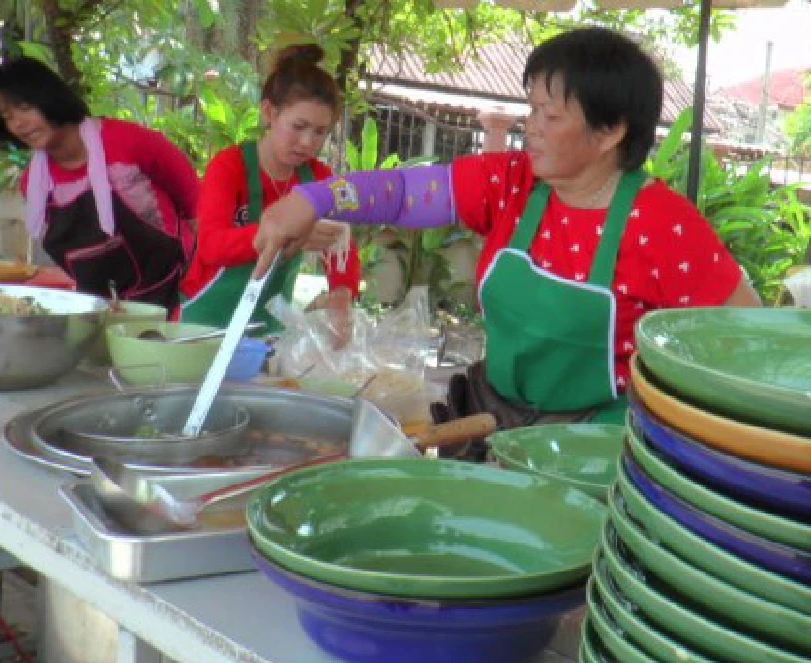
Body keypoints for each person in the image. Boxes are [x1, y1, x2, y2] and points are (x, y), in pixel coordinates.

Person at [252, 27, 760, 430]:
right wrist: (314, 197)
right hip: (495, 424)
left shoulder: (663, 224)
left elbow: (747, 340)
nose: (530, 126)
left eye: (550, 114)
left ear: (610, 131)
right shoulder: (511, 182)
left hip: (598, 453)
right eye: (530, 108)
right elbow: (405, 192)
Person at [0, 57, 199, 310]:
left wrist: (196, 287)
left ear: (49, 97)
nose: (18, 124)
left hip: (177, 294)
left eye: (25, 108)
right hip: (103, 309)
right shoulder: (34, 185)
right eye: (7, 117)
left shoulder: (128, 141)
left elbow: (195, 204)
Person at [179, 44, 359, 333]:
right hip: (203, 322)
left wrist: (342, 290)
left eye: (319, 132)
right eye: (298, 126)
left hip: (268, 326)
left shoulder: (318, 177)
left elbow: (340, 244)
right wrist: (289, 234)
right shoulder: (229, 167)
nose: (307, 142)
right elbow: (211, 247)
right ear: (269, 113)